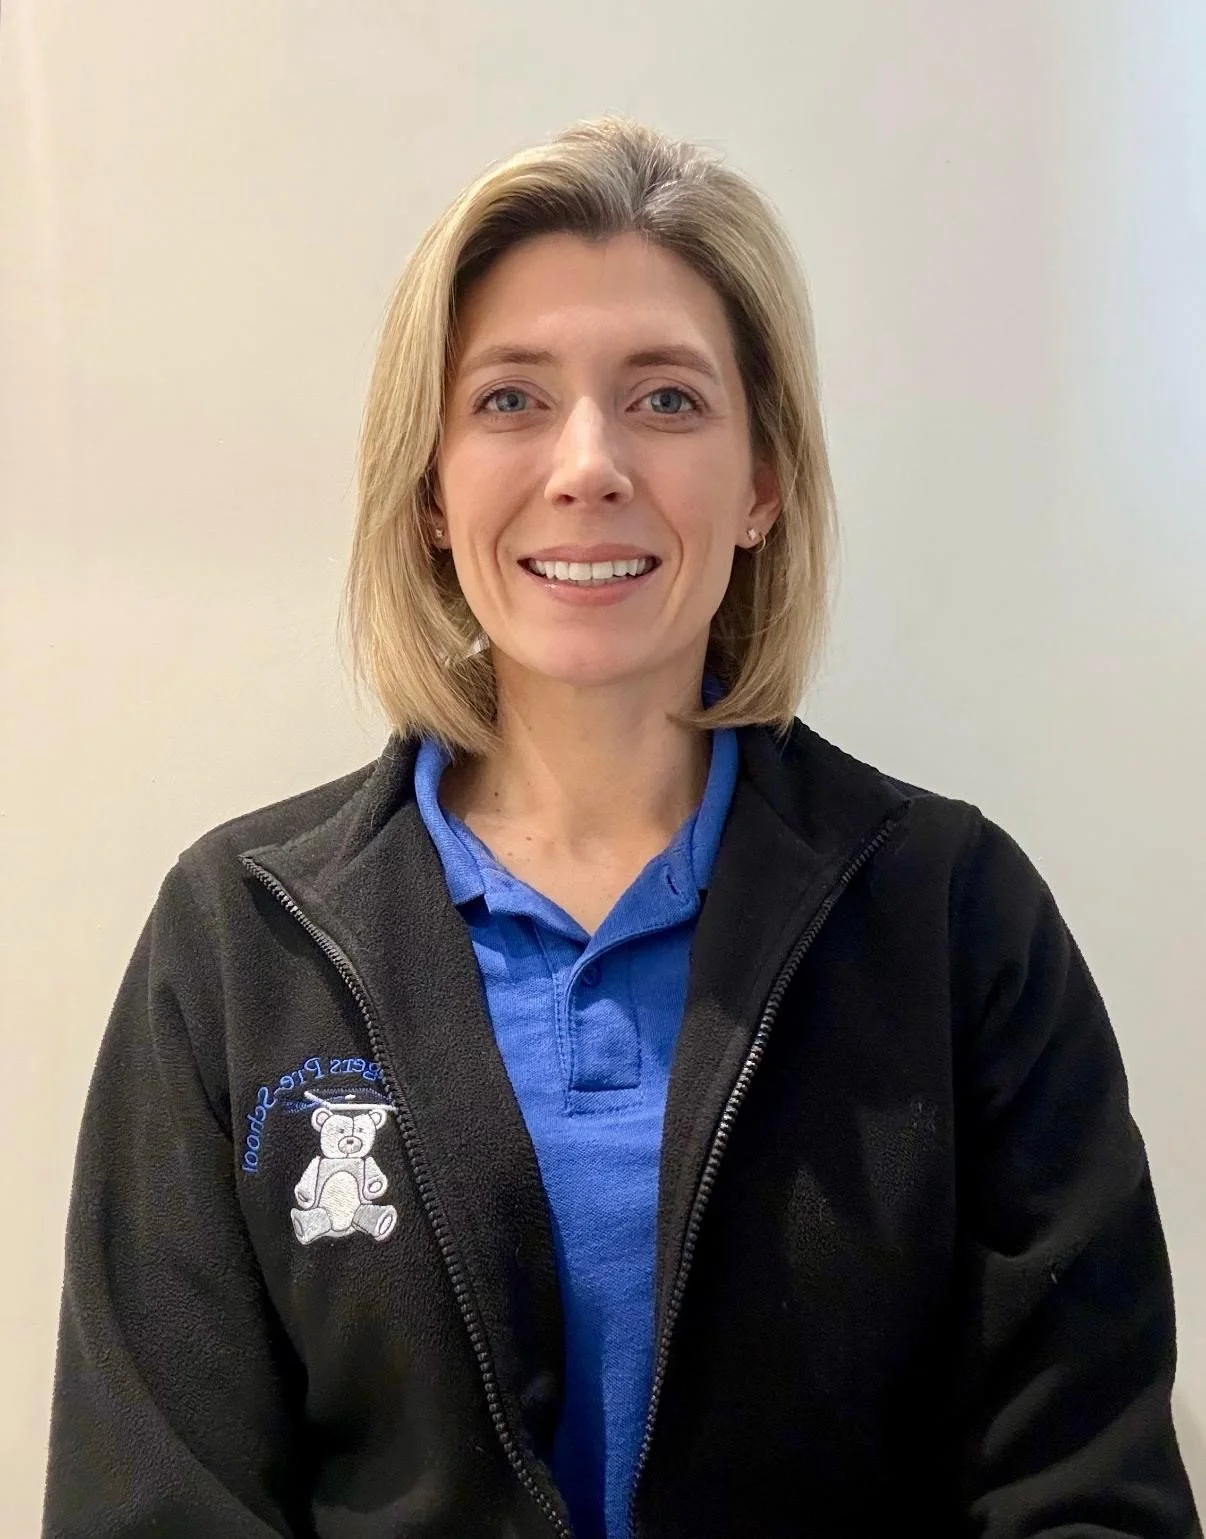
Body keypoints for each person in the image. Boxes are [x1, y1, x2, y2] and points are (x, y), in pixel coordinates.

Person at [42, 114, 1200, 1539]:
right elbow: (149, 1501)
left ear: (763, 482)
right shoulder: (237, 938)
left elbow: (1086, 1493)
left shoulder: (954, 918)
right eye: (510, 400)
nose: (587, 463)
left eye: (664, 398)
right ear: (429, 487)